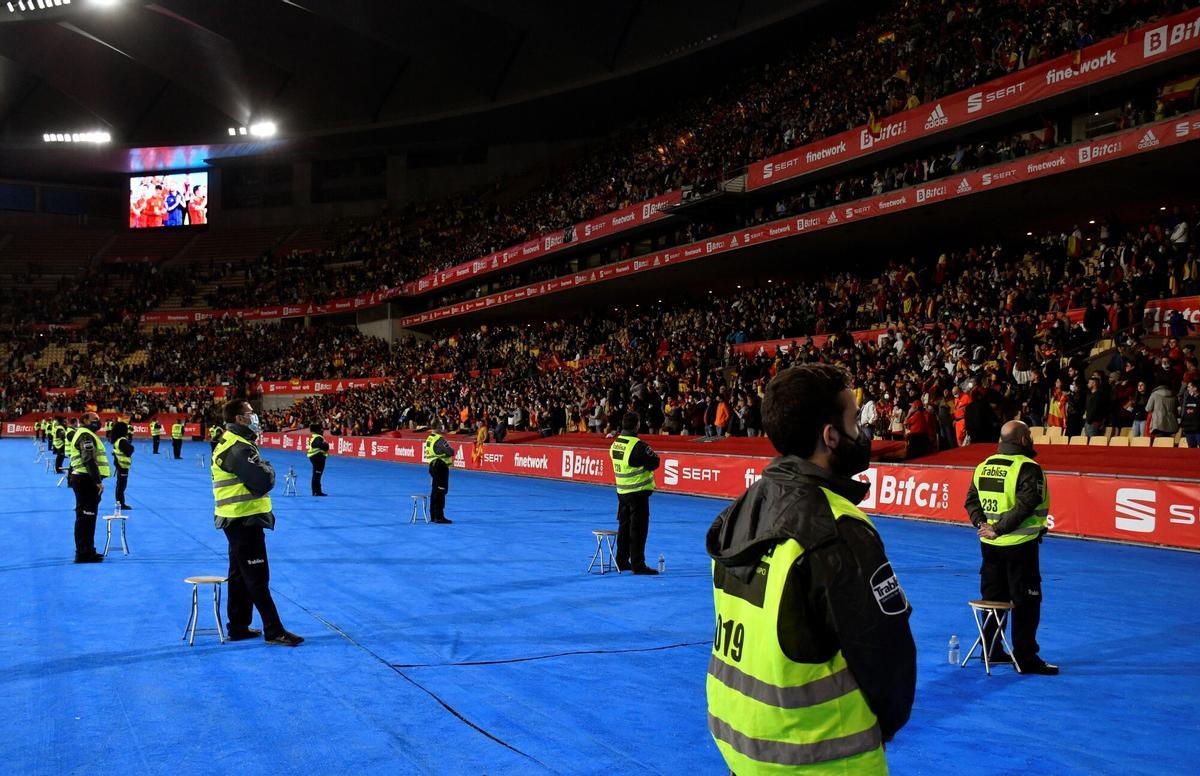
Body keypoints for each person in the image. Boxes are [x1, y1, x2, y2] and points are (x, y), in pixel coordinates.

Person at [706, 364, 916, 774]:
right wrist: (885, 724)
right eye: (856, 421)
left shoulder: (740, 511)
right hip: (819, 756)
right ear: (830, 436)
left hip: (740, 740)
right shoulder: (838, 530)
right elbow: (885, 654)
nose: (864, 434)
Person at [964, 420, 1058, 675]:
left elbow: (971, 500)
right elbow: (1026, 504)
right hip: (1020, 545)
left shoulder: (983, 466)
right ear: (1022, 440)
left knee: (993, 599)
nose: (1031, 438)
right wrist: (998, 528)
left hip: (989, 546)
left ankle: (991, 649)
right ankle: (1025, 658)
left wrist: (982, 525)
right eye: (1028, 434)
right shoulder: (1028, 467)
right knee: (1027, 602)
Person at [212, 399, 303, 646]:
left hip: (234, 517)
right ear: (239, 418)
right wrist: (269, 468)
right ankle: (274, 630)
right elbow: (263, 480)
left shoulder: (232, 443)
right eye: (250, 413)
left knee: (240, 575)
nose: (255, 417)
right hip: (244, 519)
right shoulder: (239, 448)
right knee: (257, 576)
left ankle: (238, 626)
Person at [608, 412, 660, 574]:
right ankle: (638, 564)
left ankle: (621, 560)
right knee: (638, 529)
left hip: (622, 491)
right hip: (637, 492)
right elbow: (655, 462)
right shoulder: (638, 446)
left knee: (624, 527)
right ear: (637, 425)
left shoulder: (616, 443)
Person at [67, 412, 110, 564]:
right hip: (86, 480)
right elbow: (88, 459)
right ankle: (83, 553)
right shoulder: (85, 434)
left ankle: (88, 550)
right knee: (86, 517)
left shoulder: (86, 434)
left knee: (88, 517)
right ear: (84, 420)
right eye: (95, 419)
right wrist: (97, 481)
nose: (98, 422)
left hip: (84, 479)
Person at [424, 430, 455, 523]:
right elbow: (450, 451)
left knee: (434, 491)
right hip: (440, 466)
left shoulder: (430, 438)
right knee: (440, 491)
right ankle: (439, 516)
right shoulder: (439, 439)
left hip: (433, 465)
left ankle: (433, 515)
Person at [110, 421, 135, 510]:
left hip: (120, 465)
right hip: (122, 466)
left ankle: (119, 502)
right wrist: (131, 448)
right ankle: (121, 503)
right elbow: (129, 451)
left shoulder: (117, 440)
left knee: (120, 485)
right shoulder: (122, 440)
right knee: (121, 486)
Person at [306, 422, 329, 496]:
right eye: (321, 429)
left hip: (314, 457)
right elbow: (322, 446)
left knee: (316, 475)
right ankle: (316, 491)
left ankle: (316, 491)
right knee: (317, 475)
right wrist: (326, 445)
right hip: (317, 457)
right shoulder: (318, 438)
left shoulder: (314, 436)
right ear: (318, 430)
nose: (322, 430)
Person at [1181, 381, 1200, 448]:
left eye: (1189, 387)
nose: (1188, 389)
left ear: (1195, 388)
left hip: (1198, 430)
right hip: (1188, 429)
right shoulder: (1188, 399)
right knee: (1191, 451)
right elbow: (1185, 413)